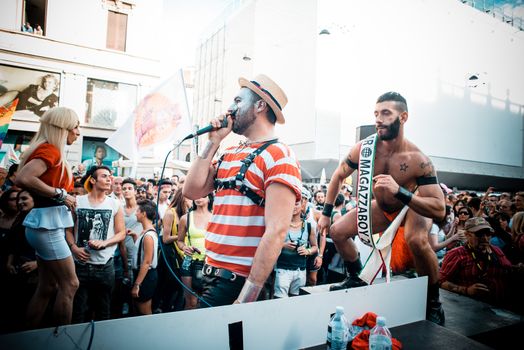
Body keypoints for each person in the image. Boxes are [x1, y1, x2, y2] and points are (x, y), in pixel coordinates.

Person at [317, 92, 446, 325]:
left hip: (411, 207)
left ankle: (434, 302)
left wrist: (401, 191)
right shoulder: (364, 149)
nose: (378, 119)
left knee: (416, 239)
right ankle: (356, 277)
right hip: (384, 208)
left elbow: (439, 210)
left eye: (386, 113)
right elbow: (337, 176)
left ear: (403, 117)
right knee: (337, 231)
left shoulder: (418, 159)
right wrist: (325, 214)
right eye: (376, 113)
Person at [183, 74, 301, 307]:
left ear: (260, 105)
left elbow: (277, 231)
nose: (230, 108)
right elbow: (192, 190)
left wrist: (247, 296)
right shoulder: (230, 152)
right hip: (208, 273)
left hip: (237, 283)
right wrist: (213, 141)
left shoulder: (280, 155)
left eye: (238, 101)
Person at [14, 106, 80, 328]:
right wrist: (61, 194)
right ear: (64, 129)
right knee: (70, 284)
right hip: (47, 228)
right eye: (76, 126)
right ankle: (62, 340)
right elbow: (23, 177)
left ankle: (28, 335)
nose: (78, 132)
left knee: (48, 286)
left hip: (45, 226)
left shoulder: (49, 149)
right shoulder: (51, 150)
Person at [66, 165, 125, 323]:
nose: (109, 179)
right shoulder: (77, 202)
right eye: (104, 176)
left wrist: (105, 243)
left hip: (105, 266)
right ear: (92, 180)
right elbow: (68, 230)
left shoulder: (115, 204)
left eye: (110, 176)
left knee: (103, 311)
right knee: (78, 310)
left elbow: (121, 233)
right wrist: (74, 248)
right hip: (80, 265)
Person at [439, 217, 523, 311]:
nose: (485, 238)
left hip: (500, 307)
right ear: (467, 235)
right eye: (479, 234)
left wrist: (515, 268)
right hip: (470, 309)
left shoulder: (496, 250)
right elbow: (441, 281)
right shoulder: (457, 254)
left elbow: (506, 269)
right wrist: (466, 290)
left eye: (488, 234)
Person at [274, 200, 318, 298]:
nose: (293, 207)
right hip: (282, 269)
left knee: (296, 300)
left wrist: (308, 251)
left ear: (302, 205)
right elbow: (271, 244)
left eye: (296, 204)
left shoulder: (308, 225)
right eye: (290, 203)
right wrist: (283, 245)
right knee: (280, 300)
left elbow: (315, 247)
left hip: (300, 270)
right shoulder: (281, 224)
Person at [177, 194, 213, 309]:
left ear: (209, 198)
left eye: (203, 195)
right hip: (189, 263)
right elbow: (180, 241)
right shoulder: (185, 218)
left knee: (205, 301)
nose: (198, 197)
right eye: (196, 195)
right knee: (191, 302)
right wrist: (184, 248)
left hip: (209, 264)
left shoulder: (215, 217)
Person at [130, 200, 159, 315]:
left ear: (144, 214)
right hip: (143, 275)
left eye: (137, 211)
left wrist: (137, 285)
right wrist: (135, 236)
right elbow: (141, 251)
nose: (135, 213)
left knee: (144, 312)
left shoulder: (148, 235)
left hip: (146, 276)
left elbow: (147, 261)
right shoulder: (145, 232)